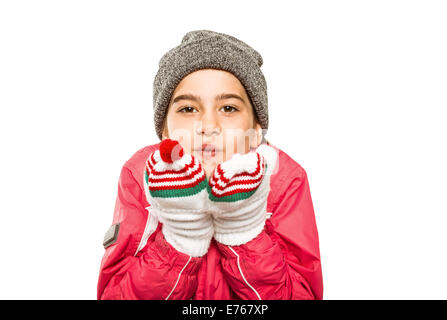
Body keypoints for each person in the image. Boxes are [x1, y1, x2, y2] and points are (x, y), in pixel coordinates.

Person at [97, 30, 323, 300]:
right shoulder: (141, 175)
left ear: (256, 130)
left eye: (228, 108)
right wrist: (180, 238)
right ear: (165, 133)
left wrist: (243, 232)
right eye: (188, 109)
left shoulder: (282, 179)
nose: (208, 126)